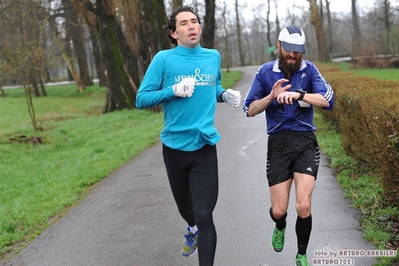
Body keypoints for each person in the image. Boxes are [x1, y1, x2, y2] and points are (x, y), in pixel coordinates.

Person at [135, 6, 241, 266]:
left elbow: (212, 86)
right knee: (189, 211)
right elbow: (141, 98)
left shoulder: (212, 56)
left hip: (204, 145)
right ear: (174, 33)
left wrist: (224, 94)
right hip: (174, 148)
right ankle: (190, 228)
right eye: (184, 23)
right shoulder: (164, 60)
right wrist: (172, 90)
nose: (191, 26)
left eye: (194, 22)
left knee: (205, 215)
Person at [242, 25, 334, 266]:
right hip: (279, 144)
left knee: (303, 204)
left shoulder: (309, 69)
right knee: (279, 210)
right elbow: (249, 109)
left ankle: (302, 254)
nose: (293, 56)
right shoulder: (265, 72)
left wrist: (300, 95)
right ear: (279, 46)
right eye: (289, 51)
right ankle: (279, 225)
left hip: (305, 141)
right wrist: (271, 97)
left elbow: (327, 100)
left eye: (297, 52)